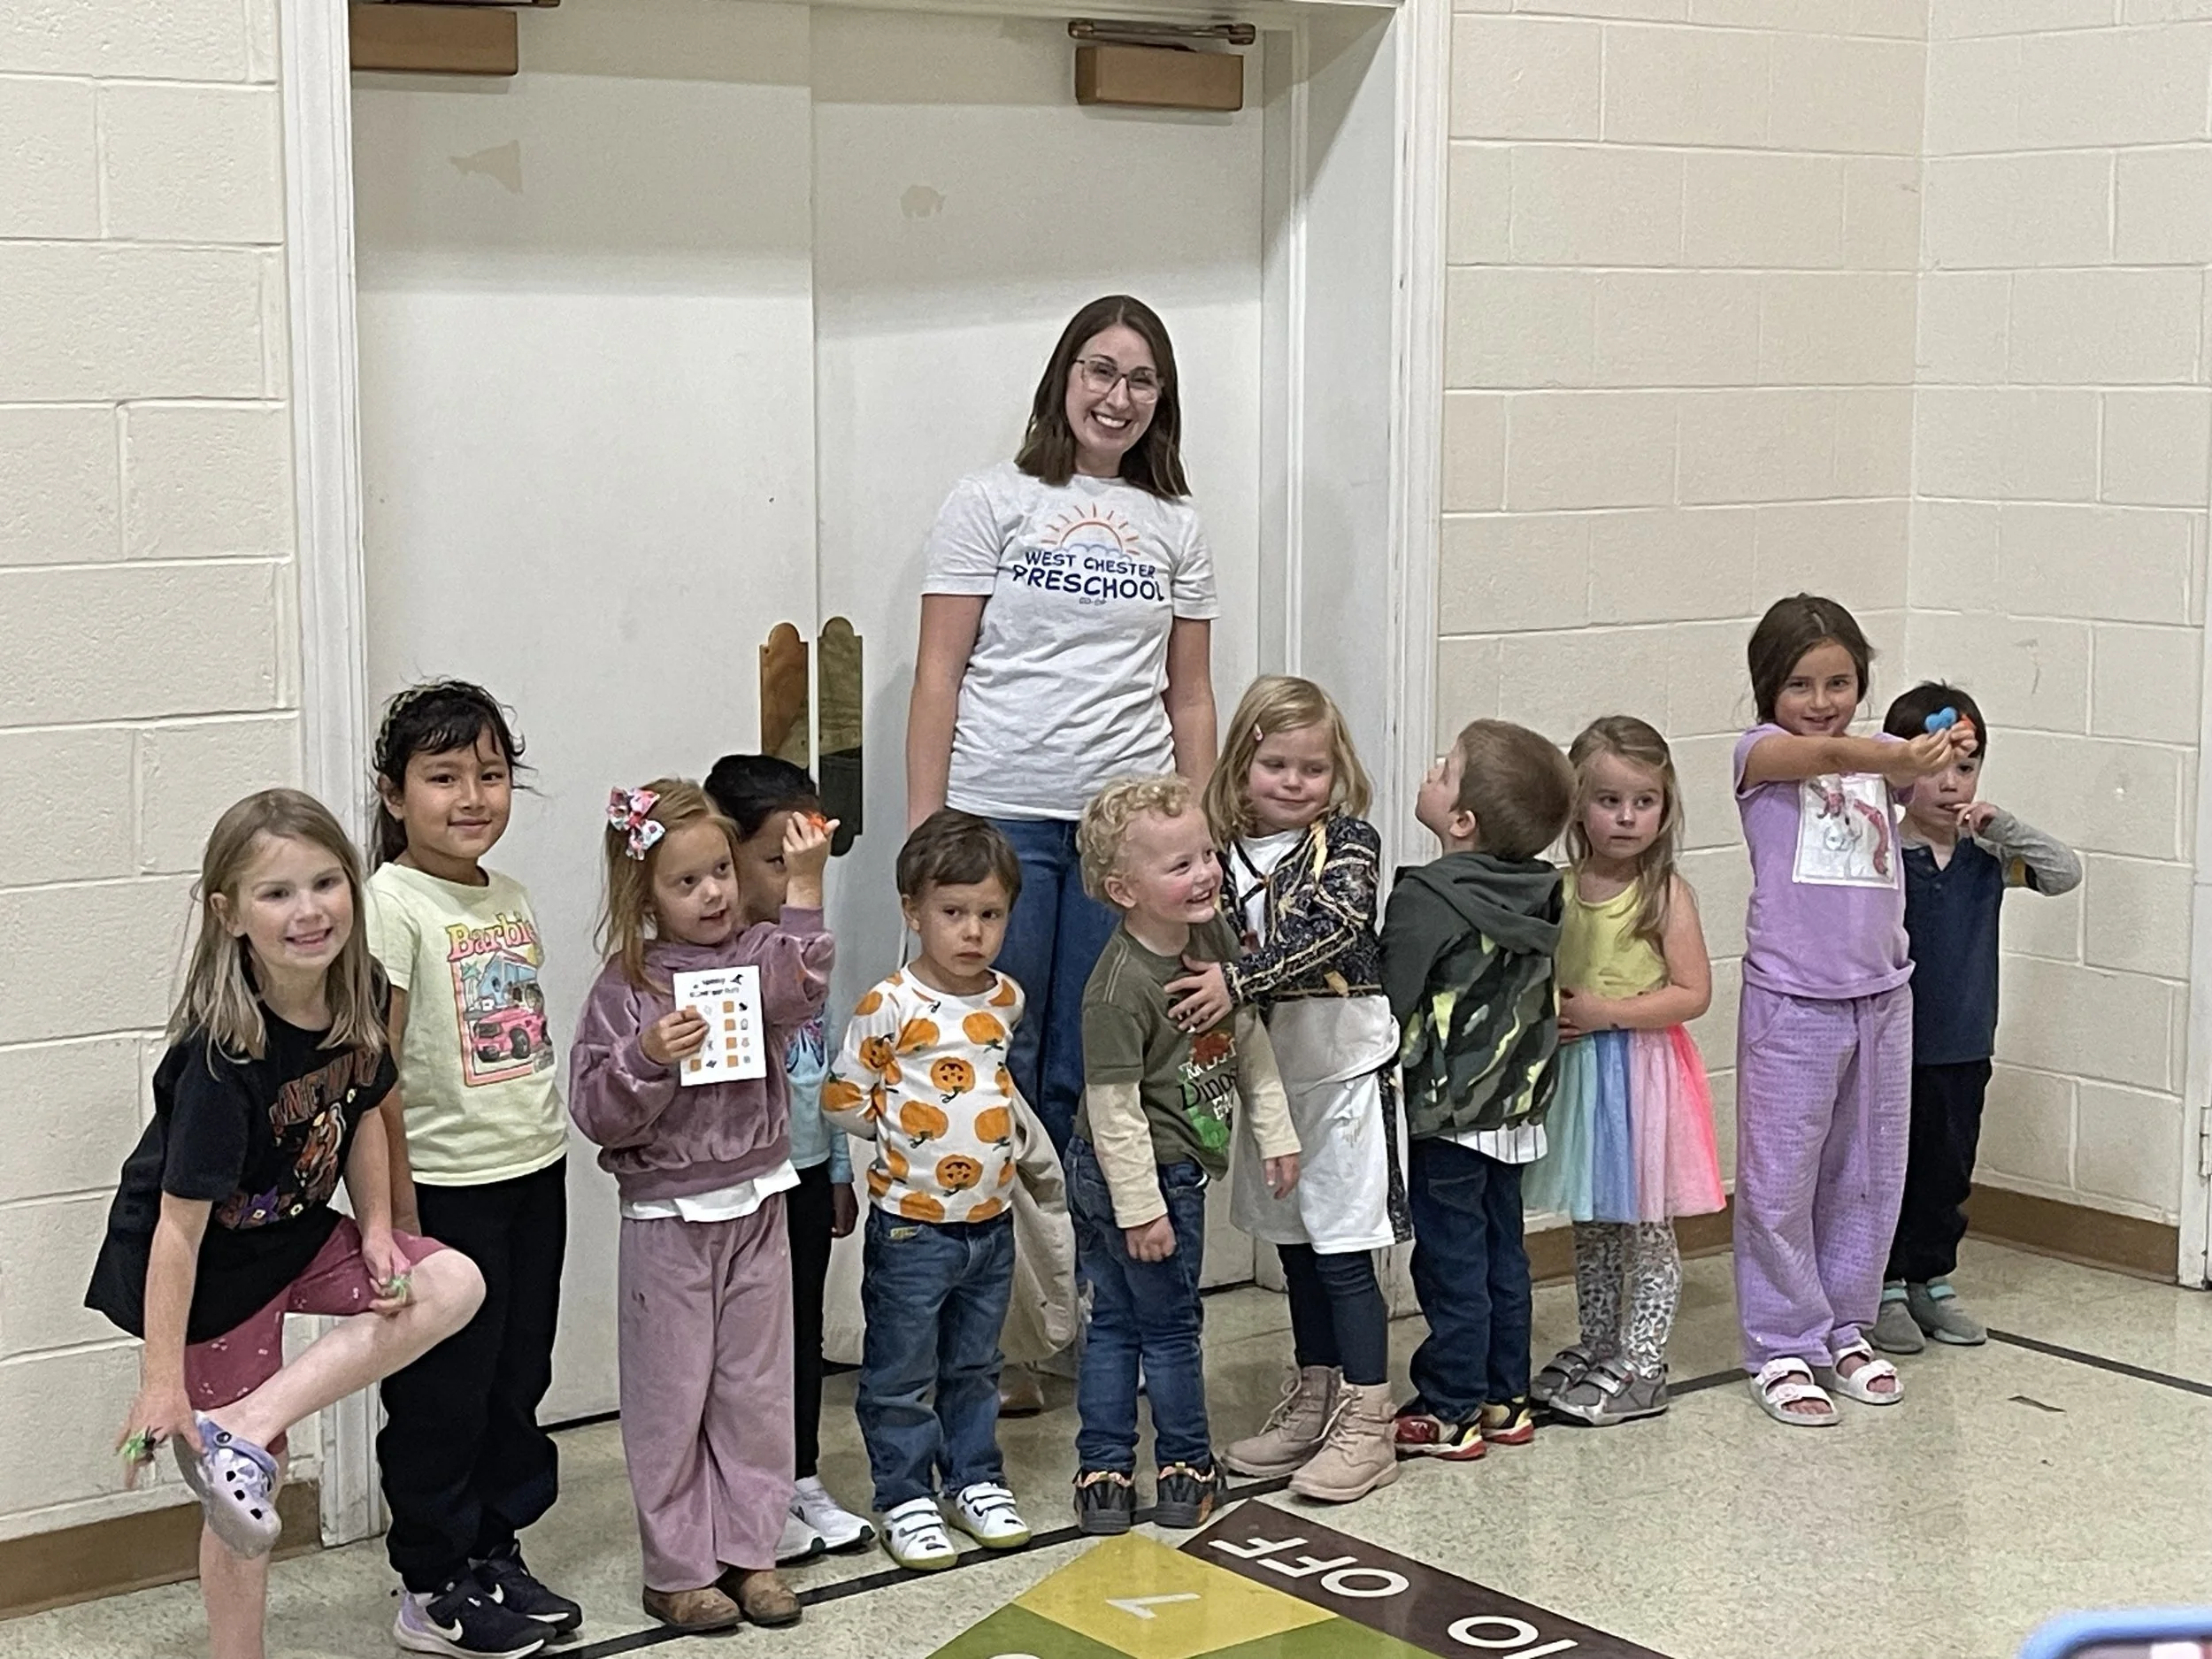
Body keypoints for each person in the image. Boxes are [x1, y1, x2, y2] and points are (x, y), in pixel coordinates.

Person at [85, 790, 485, 1659]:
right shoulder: (221, 1063)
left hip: (297, 1235)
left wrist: (378, 1228)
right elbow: (177, 1234)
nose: (307, 911)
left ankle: (245, 1427)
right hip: (211, 1281)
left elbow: (369, 1112)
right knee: (242, 1507)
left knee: (452, 1280)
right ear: (230, 915)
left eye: (325, 882)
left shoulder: (362, 992)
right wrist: (160, 1381)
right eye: (276, 894)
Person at [906, 295, 1220, 1159]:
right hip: (996, 816)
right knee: (998, 1045)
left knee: (1099, 1056)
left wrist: (1198, 843)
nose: (1118, 397)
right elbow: (938, 676)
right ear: (1065, 377)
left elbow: (1188, 696)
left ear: (1162, 398)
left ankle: (1089, 1278)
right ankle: (1006, 1277)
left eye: (1142, 380)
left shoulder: (1176, 525)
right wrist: (925, 830)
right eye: (1102, 371)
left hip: (1122, 835)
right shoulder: (989, 500)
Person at [570, 782, 833, 1631]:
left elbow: (802, 995)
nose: (714, 893)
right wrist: (647, 1055)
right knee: (671, 1396)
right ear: (644, 895)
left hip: (758, 1201)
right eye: (687, 882)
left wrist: (805, 888)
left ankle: (753, 1551)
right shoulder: (628, 985)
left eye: (720, 871)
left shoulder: (758, 952)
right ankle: (677, 1564)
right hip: (669, 1220)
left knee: (756, 1390)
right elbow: (597, 1110)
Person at [365, 681, 582, 1655]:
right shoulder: (389, 904)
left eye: (490, 774)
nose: (472, 797)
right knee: (441, 1393)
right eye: (443, 776)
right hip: (445, 1190)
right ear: (393, 792)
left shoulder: (510, 895)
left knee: (513, 1376)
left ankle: (492, 1550)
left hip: (531, 1171)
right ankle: (430, 1581)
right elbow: (376, 1077)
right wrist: (398, 1217)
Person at [1730, 596, 1970, 1426]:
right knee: (1780, 1181)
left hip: (1881, 996)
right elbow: (1828, 750)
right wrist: (1892, 754)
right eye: (1800, 682)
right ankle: (1781, 1340)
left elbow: (1903, 785)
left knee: (1868, 1176)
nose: (1823, 698)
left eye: (1839, 681)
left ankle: (1844, 1325)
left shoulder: (1881, 765)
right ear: (1769, 689)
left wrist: (1928, 759)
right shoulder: (1763, 753)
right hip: (1794, 1001)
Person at [1178, 678, 1406, 1503]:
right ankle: (1316, 1392)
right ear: (1241, 766)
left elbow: (1338, 929)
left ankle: (1368, 1417)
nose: (1294, 781)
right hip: (1269, 1074)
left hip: (1345, 1066)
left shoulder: (1349, 840)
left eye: (1313, 766)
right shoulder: (1217, 851)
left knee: (1345, 1245)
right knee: (1297, 1244)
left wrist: (1236, 977)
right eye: (1275, 763)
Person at [1064, 774, 1301, 1537]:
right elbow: (1114, 1110)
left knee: (1128, 1323)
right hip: (1135, 1172)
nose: (1204, 873)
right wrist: (1142, 1209)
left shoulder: (1214, 939)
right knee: (1153, 1327)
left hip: (1171, 1168)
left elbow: (1247, 1037)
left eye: (1206, 855)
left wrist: (1278, 1131)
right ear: (1121, 889)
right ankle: (1172, 1465)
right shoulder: (1116, 988)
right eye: (1179, 865)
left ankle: (1111, 1465)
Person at [823, 811, 1037, 1571]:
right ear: (914, 912)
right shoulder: (891, 1002)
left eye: (990, 914)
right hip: (913, 1225)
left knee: (976, 1362)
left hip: (990, 1219)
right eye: (953, 912)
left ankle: (973, 1477)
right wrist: (897, 1136)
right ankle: (904, 1492)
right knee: (903, 1367)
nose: (972, 931)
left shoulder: (1004, 998)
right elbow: (841, 1097)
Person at [1381, 721, 1577, 1463]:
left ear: (1461, 821)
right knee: (1504, 1255)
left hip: (1448, 1114)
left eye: (1448, 767)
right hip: (1516, 1110)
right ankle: (1506, 1396)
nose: (1433, 769)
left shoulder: (1428, 896)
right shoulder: (1540, 890)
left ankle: (1450, 1406)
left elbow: (1390, 1003)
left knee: (1451, 1260)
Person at [1867, 684, 2080, 1356]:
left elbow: (2064, 872)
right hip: (1895, 1043)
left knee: (1947, 1166)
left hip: (1963, 1041)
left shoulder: (1987, 857)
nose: (1951, 783)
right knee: (1889, 1167)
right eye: (1933, 766)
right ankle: (1884, 1284)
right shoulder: (1881, 853)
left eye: (1966, 766)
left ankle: (1932, 1277)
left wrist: (2001, 825)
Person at [1525, 718, 1724, 1426]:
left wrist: (1609, 1010)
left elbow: (1693, 991)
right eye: (1609, 799)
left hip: (1640, 1073)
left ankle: (1644, 1359)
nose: (1627, 816)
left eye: (1644, 801)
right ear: (1578, 803)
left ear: (1665, 807)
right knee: (1595, 1220)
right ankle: (1599, 1342)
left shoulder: (1665, 893)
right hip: (1581, 1077)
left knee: (1645, 1225)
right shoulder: (1559, 887)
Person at [703, 755, 874, 1555]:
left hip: (806, 1167)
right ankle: (745, 1486)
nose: (789, 880)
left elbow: (830, 1064)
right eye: (776, 861)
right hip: (745, 1176)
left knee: (801, 1327)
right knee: (742, 1342)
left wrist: (839, 1170)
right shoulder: (720, 953)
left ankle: (801, 1473)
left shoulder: (806, 949)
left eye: (805, 862)